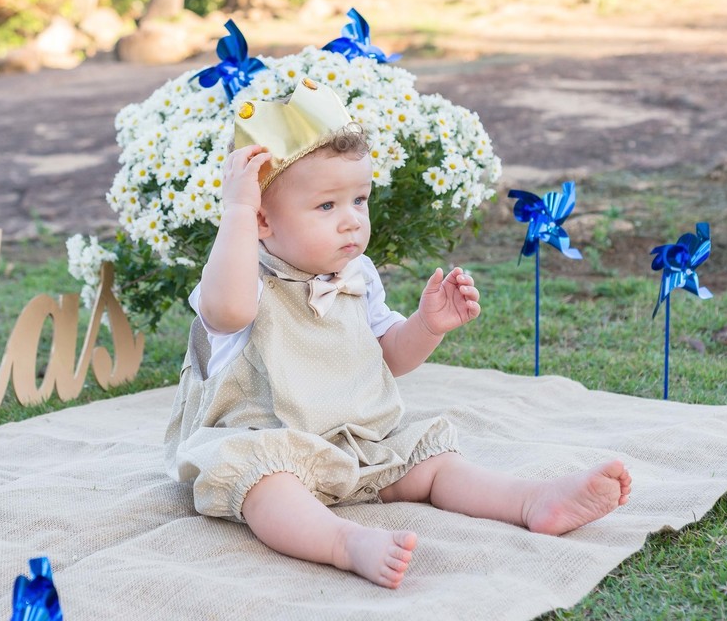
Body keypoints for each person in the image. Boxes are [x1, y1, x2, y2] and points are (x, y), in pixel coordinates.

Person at [165, 78, 631, 589]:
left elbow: (389, 356)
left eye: (359, 200)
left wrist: (427, 326)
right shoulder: (242, 275)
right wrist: (233, 211)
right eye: (327, 207)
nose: (351, 223)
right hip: (270, 444)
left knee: (435, 462)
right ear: (262, 221)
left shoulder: (358, 274)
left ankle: (529, 499)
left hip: (359, 443)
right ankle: (344, 542)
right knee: (266, 487)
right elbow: (227, 311)